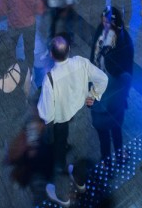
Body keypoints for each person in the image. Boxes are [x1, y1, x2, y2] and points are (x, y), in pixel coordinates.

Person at [37, 36, 108, 200]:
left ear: (52, 55)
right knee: (81, 150)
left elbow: (46, 113)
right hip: (82, 114)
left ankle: (63, 196)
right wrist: (93, 95)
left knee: (60, 158)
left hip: (62, 124)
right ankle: (80, 182)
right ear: (69, 50)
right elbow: (103, 78)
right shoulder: (81, 62)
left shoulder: (50, 79)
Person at [89, 7, 134, 163]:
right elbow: (92, 57)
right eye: (103, 21)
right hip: (99, 90)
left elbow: (127, 71)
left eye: (108, 22)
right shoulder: (100, 31)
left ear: (116, 23)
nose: (105, 25)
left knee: (115, 128)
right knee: (103, 132)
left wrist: (123, 94)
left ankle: (118, 156)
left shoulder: (124, 41)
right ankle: (107, 161)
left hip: (115, 93)